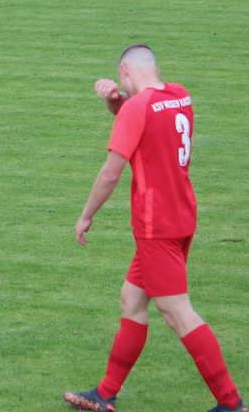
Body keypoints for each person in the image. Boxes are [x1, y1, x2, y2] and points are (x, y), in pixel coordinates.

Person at [63, 45, 245, 412]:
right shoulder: (179, 95)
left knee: (177, 312)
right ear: (156, 70)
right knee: (131, 299)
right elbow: (144, 112)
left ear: (124, 71)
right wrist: (115, 101)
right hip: (181, 215)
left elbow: (111, 173)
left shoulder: (136, 108)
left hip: (155, 225)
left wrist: (86, 215)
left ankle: (231, 403)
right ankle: (105, 394)